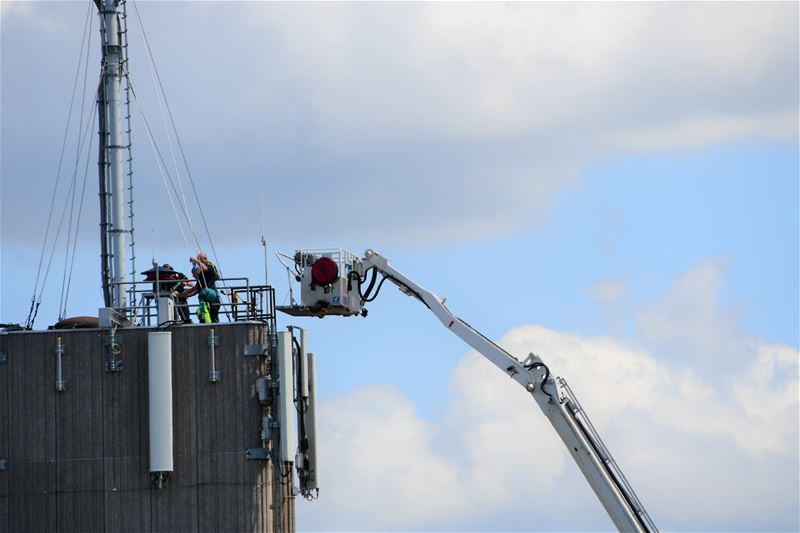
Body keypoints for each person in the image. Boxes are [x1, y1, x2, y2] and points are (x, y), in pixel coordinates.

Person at [175, 252, 221, 323]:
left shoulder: (209, 267)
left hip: (213, 296)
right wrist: (180, 295)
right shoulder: (201, 280)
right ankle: (205, 320)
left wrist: (195, 260)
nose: (193, 276)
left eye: (194, 274)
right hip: (211, 300)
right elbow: (193, 292)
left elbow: (205, 268)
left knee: (202, 294)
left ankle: (206, 320)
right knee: (212, 316)